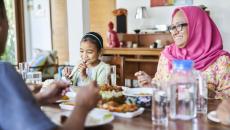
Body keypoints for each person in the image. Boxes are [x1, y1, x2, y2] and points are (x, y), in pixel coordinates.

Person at [0, 1, 101, 130]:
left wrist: (41, 98)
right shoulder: (3, 73)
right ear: (1, 24)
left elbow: (7, 110)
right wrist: (82, 106)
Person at [135, 6, 230, 99]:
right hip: (170, 113)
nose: (174, 32)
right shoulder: (167, 55)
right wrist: (151, 85)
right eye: (172, 27)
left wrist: (205, 92)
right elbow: (160, 87)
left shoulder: (221, 60)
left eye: (179, 26)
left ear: (197, 25)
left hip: (203, 114)